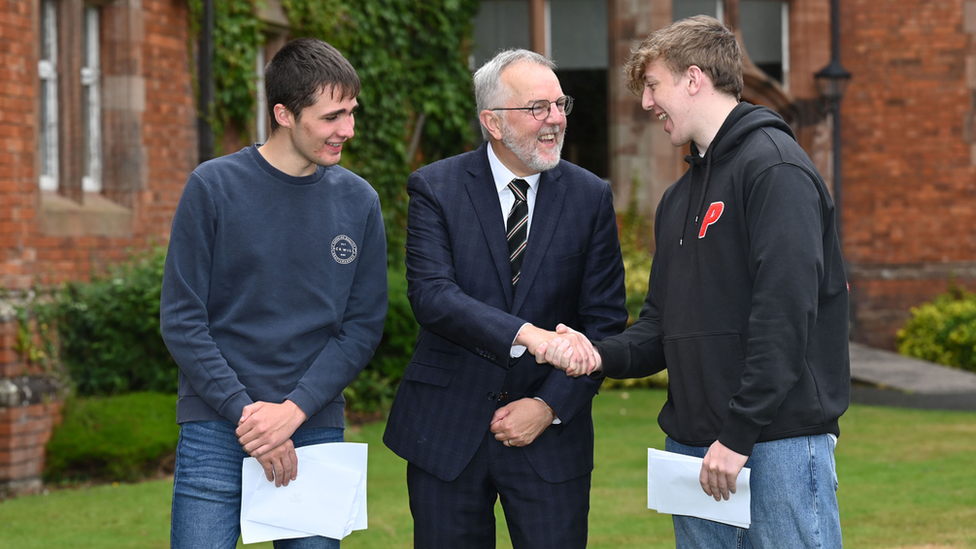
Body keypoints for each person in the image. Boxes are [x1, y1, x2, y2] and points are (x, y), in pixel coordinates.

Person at [539, 15, 850, 548]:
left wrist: (738, 434)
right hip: (690, 447)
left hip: (771, 442)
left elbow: (784, 314)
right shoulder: (677, 199)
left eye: (653, 86)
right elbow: (662, 325)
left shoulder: (774, 168)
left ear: (693, 78)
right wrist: (595, 353)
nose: (645, 104)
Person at [382, 49, 627, 549]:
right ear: (492, 121)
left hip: (551, 439)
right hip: (446, 432)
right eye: (538, 107)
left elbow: (604, 321)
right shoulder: (436, 187)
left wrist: (547, 405)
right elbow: (433, 297)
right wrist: (526, 335)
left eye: (560, 105)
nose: (555, 119)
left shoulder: (590, 196)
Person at [160, 38, 387, 549]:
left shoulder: (360, 202)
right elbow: (182, 319)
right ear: (284, 113)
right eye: (331, 117)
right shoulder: (212, 187)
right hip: (216, 425)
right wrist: (249, 417)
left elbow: (362, 328)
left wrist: (293, 411)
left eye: (351, 113)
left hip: (312, 425)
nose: (347, 130)